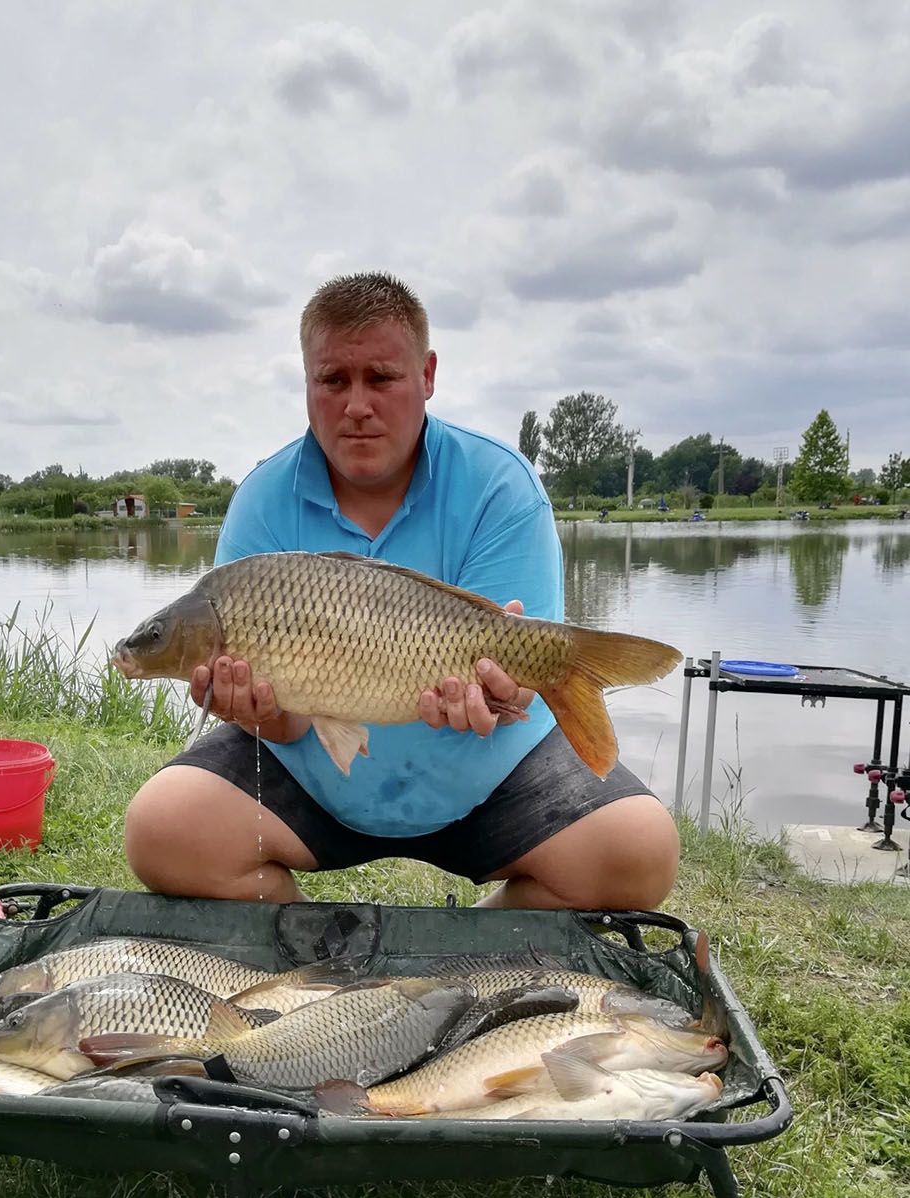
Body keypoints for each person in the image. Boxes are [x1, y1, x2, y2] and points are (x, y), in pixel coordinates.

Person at [124, 272, 679, 910]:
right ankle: (316, 952)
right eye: (333, 380)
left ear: (427, 375)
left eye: (381, 377)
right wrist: (257, 711)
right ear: (308, 381)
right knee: (161, 831)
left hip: (486, 775)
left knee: (639, 852)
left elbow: (519, 686)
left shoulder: (501, 484)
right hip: (317, 780)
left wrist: (505, 693)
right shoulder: (260, 502)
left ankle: (474, 949)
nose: (356, 404)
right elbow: (285, 725)